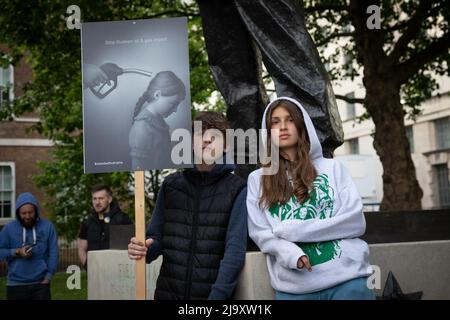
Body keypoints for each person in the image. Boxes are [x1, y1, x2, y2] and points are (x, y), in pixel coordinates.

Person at [246, 97, 375, 300]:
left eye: (290, 120)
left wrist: (291, 230)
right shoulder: (257, 179)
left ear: (301, 125)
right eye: (275, 122)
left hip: (348, 281)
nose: (283, 127)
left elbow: (354, 222)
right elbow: (261, 233)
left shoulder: (333, 168)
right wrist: (290, 254)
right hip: (294, 288)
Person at [128, 112, 247, 300]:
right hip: (167, 294)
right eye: (200, 134)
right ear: (191, 142)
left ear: (225, 145)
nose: (206, 140)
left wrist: (217, 297)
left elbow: (234, 251)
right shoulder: (170, 185)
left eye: (214, 136)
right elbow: (156, 238)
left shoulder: (238, 188)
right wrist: (144, 248)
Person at [0, 192, 58, 300]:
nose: (27, 216)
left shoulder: (48, 227)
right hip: (15, 285)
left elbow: (53, 253)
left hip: (41, 284)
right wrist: (17, 251)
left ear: (36, 211)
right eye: (23, 213)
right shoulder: (8, 229)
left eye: (30, 212)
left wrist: (48, 277)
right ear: (18, 213)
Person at [129, 70, 186, 170]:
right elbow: (138, 168)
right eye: (173, 103)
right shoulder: (142, 127)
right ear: (157, 95)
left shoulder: (158, 123)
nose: (175, 110)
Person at [77, 184, 132, 268]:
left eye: (101, 198)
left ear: (109, 199)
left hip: (117, 271)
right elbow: (81, 249)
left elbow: (130, 247)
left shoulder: (121, 219)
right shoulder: (88, 222)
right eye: (94, 199)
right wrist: (88, 267)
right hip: (95, 273)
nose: (97, 202)